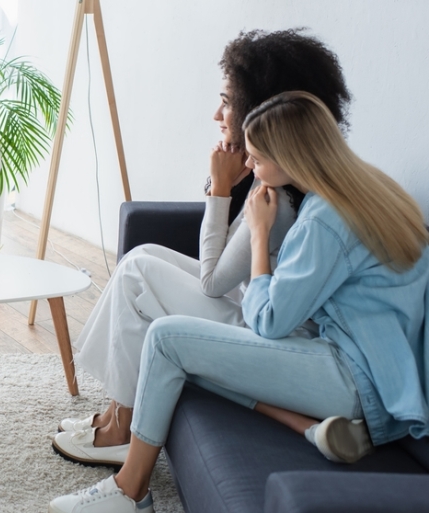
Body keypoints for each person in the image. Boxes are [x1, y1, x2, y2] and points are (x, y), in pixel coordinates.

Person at [49, 90, 429, 513]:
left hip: (349, 376)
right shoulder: (372, 189)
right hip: (373, 373)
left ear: (291, 158)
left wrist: (261, 233)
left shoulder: (324, 220)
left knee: (166, 339)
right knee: (183, 354)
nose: (251, 165)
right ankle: (306, 427)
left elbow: (268, 320)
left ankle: (130, 489)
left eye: (258, 159)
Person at [52, 29, 353, 467]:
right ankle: (119, 409)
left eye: (228, 101)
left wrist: (219, 189)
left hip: (271, 332)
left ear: (261, 105)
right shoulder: (284, 182)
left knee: (138, 276)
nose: (217, 112)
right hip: (259, 309)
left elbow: (212, 282)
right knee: (142, 257)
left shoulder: (279, 199)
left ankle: (122, 425)